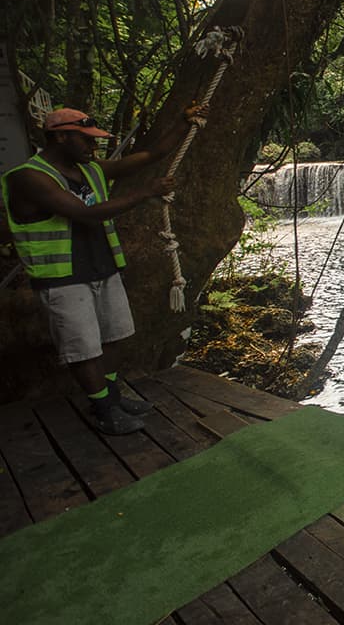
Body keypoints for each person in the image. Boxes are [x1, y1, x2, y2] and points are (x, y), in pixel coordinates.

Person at [2, 104, 207, 435]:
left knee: (114, 335)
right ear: (60, 137)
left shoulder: (90, 169)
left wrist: (184, 122)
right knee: (82, 347)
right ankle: (102, 409)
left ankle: (110, 395)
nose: (92, 147)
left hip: (102, 266)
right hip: (62, 275)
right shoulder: (30, 177)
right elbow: (85, 213)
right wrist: (146, 193)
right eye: (85, 140)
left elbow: (151, 154)